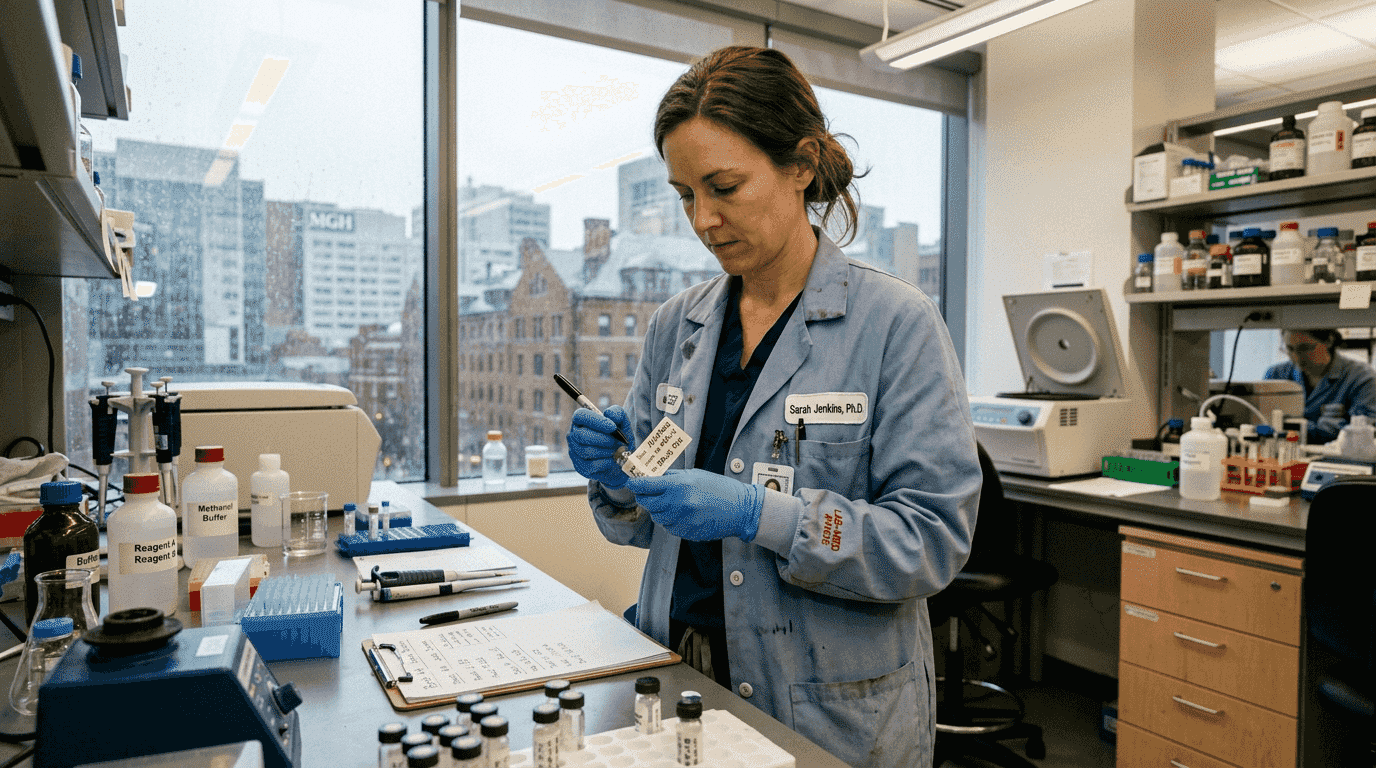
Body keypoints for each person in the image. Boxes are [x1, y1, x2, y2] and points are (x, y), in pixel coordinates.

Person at [566, 46, 980, 768]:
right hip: (680, 676)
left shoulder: (894, 324)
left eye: (724, 186)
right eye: (686, 194)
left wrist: (764, 516)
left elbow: (930, 542)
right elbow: (639, 525)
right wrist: (616, 476)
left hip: (828, 707)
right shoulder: (677, 327)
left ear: (801, 164)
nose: (704, 219)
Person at [1264, 329, 1376, 444]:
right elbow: (1261, 422)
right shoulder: (1276, 375)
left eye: (1305, 348)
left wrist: (1293, 428)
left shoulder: (1361, 377)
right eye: (1290, 349)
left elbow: (1364, 433)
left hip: (1335, 459)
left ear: (1329, 341)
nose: (1296, 357)